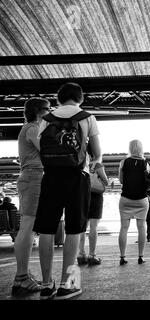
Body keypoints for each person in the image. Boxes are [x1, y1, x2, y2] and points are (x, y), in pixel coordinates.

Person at [33, 82, 102, 300]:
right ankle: (67, 284)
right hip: (76, 176)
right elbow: (98, 154)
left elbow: (40, 147)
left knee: (46, 229)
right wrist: (94, 162)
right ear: (80, 98)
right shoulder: (87, 117)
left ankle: (46, 285)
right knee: (74, 229)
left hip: (51, 176)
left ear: (59, 99)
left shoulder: (46, 119)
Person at [10, 98, 50, 296]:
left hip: (33, 177)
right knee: (28, 225)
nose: (50, 113)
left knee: (29, 226)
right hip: (33, 177)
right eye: (47, 109)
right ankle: (21, 277)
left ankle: (22, 275)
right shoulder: (32, 128)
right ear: (38, 111)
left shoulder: (31, 128)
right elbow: (47, 151)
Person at [118, 139, 150, 266]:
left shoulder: (123, 162)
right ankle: (141, 257)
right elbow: (149, 181)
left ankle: (122, 257)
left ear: (130, 148)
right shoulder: (145, 164)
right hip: (141, 200)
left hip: (126, 199)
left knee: (124, 228)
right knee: (142, 227)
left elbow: (121, 181)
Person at [77, 144, 108, 266]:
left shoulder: (80, 164)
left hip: (82, 197)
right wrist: (104, 181)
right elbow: (105, 181)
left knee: (82, 227)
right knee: (93, 228)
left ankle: (81, 254)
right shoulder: (97, 165)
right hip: (95, 198)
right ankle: (92, 255)